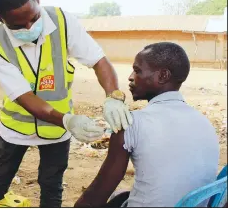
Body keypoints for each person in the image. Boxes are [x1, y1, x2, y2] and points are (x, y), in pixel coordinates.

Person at [0, 0, 133, 207]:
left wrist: (113, 96)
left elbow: (98, 60)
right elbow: (24, 96)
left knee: (52, 185)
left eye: (34, 18)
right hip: (16, 128)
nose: (29, 28)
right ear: (1, 20)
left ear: (39, 2)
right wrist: (68, 120)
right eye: (18, 26)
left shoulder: (62, 22)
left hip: (57, 129)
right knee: (0, 182)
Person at [74, 42, 220, 207]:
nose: (130, 77)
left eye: (137, 71)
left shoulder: (130, 124)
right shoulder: (204, 123)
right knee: (122, 196)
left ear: (162, 76)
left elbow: (96, 195)